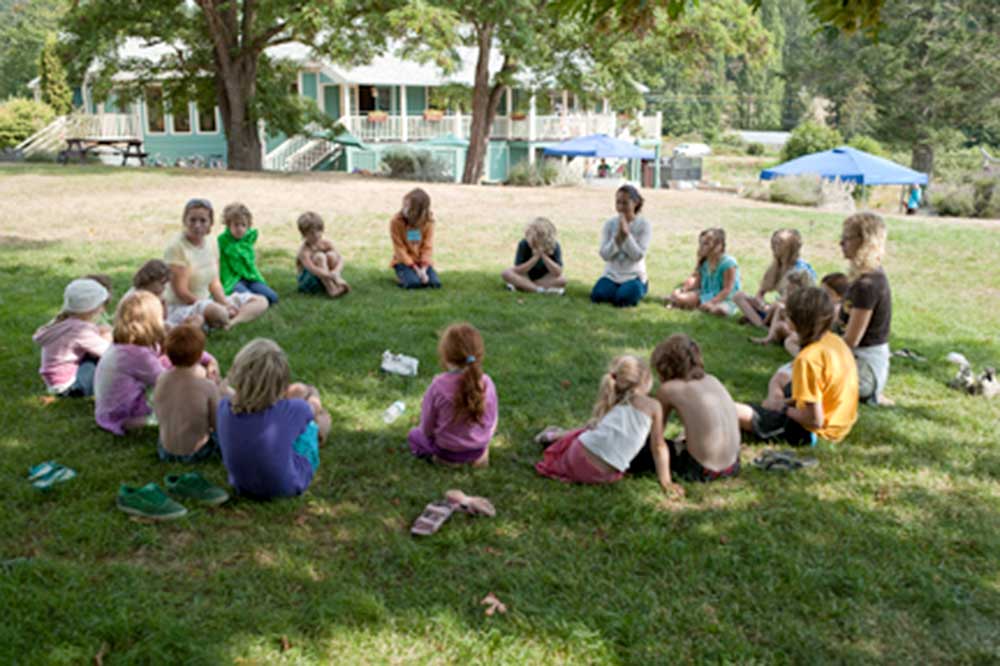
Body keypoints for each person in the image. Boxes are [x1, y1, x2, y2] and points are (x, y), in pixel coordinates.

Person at [535, 355, 683, 496]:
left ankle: (553, 435)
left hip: (576, 459)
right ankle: (555, 435)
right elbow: (658, 447)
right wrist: (666, 482)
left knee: (585, 431)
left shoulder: (614, 400)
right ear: (645, 380)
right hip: (602, 475)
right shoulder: (653, 406)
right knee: (586, 431)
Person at [735, 287, 858, 446]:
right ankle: (772, 408)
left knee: (732, 410)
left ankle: (769, 414)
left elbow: (815, 420)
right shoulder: (834, 341)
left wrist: (783, 408)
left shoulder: (807, 359)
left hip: (813, 432)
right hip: (840, 421)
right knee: (781, 378)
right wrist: (784, 403)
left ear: (794, 321)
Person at [217, 338, 328, 500]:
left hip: (241, 485)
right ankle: (320, 436)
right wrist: (313, 392)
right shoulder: (292, 410)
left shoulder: (223, 407)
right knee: (317, 421)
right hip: (287, 487)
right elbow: (313, 407)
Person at [630, 335, 741, 482]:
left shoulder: (669, 389)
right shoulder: (713, 379)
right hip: (733, 466)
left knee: (638, 450)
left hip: (701, 470)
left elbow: (654, 435)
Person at [163, 198, 268, 329]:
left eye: (203, 221)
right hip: (183, 305)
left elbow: (215, 283)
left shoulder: (212, 242)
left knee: (261, 301)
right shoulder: (176, 247)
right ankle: (216, 319)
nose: (197, 225)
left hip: (208, 300)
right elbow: (181, 292)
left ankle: (231, 323)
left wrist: (225, 304)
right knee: (216, 312)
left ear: (210, 224)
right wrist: (214, 306)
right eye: (192, 220)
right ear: (185, 221)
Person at [408, 323, 498, 467]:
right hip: (478, 449)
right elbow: (492, 422)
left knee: (414, 435)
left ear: (446, 355)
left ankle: (442, 460)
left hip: (446, 452)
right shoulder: (487, 383)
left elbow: (426, 429)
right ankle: (477, 459)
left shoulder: (438, 386)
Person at [94, 291, 169, 435]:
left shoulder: (124, 345)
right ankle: (144, 420)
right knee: (180, 389)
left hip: (109, 410)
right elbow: (165, 381)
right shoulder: (136, 354)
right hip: (123, 412)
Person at [839, 212, 893, 405]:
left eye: (846, 238)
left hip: (865, 366)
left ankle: (873, 392)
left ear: (864, 241)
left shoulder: (868, 284)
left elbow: (851, 341)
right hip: (855, 359)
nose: (841, 242)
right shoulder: (862, 279)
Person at [32, 278, 111, 397]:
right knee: (110, 362)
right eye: (101, 305)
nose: (103, 309)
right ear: (91, 308)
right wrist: (108, 336)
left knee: (93, 353)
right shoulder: (79, 331)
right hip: (71, 387)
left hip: (55, 384)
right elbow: (110, 353)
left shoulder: (63, 322)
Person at [153, 325, 221, 462]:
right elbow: (217, 423)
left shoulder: (161, 379)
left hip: (165, 451)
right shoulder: (207, 386)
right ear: (199, 355)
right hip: (197, 452)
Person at [733, 228, 816, 328]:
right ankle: (761, 325)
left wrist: (768, 307)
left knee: (778, 307)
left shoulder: (800, 271)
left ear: (791, 247)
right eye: (774, 242)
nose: (774, 245)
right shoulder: (777, 265)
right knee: (739, 296)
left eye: (780, 243)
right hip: (773, 308)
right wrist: (760, 302)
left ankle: (760, 322)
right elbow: (761, 292)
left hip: (791, 312)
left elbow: (790, 301)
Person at [590, 185, 651, 307]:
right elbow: (604, 255)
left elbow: (638, 256)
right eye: (618, 203)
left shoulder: (644, 225)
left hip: (634, 276)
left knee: (623, 298)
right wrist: (617, 239)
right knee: (598, 296)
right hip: (612, 275)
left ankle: (637, 289)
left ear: (635, 203)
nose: (621, 207)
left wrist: (627, 236)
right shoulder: (609, 224)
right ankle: (615, 290)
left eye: (625, 203)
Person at [667, 228, 741, 316]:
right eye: (701, 243)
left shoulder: (728, 263)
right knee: (680, 298)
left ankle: (691, 305)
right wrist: (682, 290)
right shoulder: (705, 262)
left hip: (724, 298)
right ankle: (680, 302)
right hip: (705, 294)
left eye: (706, 244)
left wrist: (711, 302)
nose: (701, 246)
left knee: (720, 311)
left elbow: (727, 289)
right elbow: (697, 284)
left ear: (719, 246)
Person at [218, 202, 279, 305]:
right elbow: (222, 265)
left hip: (250, 278)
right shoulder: (223, 241)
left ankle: (256, 298)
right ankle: (251, 301)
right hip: (233, 279)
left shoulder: (247, 239)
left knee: (273, 297)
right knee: (248, 298)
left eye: (243, 225)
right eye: (236, 225)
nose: (240, 229)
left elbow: (250, 261)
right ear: (228, 225)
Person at [390, 188, 441, 289]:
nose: (404, 208)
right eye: (404, 205)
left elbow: (427, 246)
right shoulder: (396, 222)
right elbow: (399, 248)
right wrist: (415, 268)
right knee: (413, 284)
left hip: (421, 261)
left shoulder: (428, 223)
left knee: (434, 284)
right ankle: (402, 276)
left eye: (407, 206)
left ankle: (416, 275)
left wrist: (424, 269)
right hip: (404, 261)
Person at [500, 217, 566, 294]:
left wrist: (544, 256)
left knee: (562, 279)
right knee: (506, 273)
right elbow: (518, 270)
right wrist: (535, 258)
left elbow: (557, 273)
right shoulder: (523, 244)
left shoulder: (555, 246)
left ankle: (525, 286)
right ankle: (539, 290)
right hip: (525, 276)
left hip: (544, 279)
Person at [749, 269, 815, 346]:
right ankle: (768, 338)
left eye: (792, 290)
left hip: (798, 334)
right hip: (787, 329)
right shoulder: (790, 299)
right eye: (788, 289)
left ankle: (768, 337)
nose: (789, 292)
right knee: (779, 315)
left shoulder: (806, 304)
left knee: (780, 317)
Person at [295, 211, 350, 298]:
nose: (316, 235)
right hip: (310, 281)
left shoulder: (326, 243)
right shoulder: (304, 251)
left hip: (326, 276)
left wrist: (336, 272)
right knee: (319, 257)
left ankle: (335, 284)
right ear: (304, 234)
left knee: (331, 255)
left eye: (319, 231)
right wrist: (331, 276)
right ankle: (332, 289)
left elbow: (340, 259)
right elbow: (312, 269)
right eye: (312, 233)